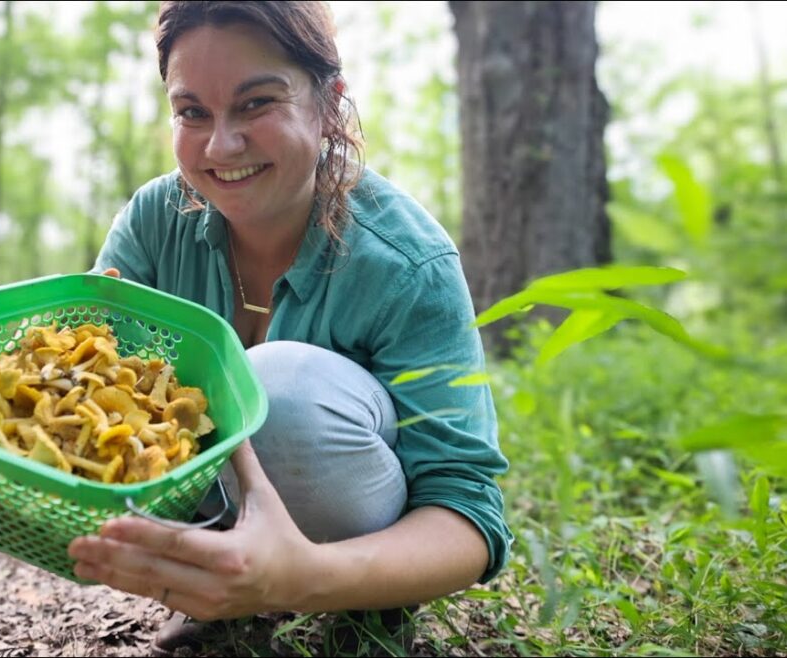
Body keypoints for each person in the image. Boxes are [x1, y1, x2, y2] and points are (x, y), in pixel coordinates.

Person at [67, 1, 512, 654]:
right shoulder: (153, 223)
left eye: (256, 104)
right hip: (203, 506)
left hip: (357, 532)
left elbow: (470, 515)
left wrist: (301, 579)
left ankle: (362, 604)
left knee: (276, 389)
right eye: (193, 112)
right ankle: (219, 588)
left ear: (329, 105)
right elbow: (83, 388)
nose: (222, 145)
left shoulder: (406, 263)